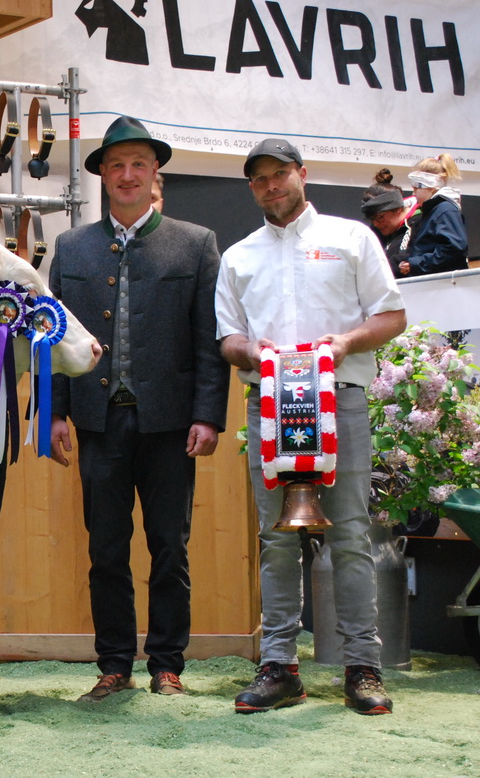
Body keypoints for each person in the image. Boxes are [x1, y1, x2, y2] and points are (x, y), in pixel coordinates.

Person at [216, 138, 406, 715]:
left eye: (280, 174)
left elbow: (392, 315)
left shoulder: (352, 238)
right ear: (251, 188)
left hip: (339, 400)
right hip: (267, 404)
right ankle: (280, 666)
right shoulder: (238, 256)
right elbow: (227, 340)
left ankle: (363, 667)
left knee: (349, 533)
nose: (271, 186)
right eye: (259, 180)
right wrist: (251, 348)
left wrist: (346, 341)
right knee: (274, 537)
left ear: (303, 174)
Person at [49, 115, 229, 700]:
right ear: (102, 175)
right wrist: (54, 414)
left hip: (171, 422)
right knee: (104, 546)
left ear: (155, 174)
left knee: (169, 545)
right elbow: (54, 339)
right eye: (116, 165)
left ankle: (167, 664)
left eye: (138, 165)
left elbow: (209, 339)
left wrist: (208, 414)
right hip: (98, 420)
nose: (127, 175)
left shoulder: (196, 242)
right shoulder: (72, 245)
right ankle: (115, 663)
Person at [399, 153, 469, 276]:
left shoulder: (445, 211)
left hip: (443, 285)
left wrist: (416, 264)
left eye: (416, 189)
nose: (413, 193)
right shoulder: (432, 211)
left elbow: (453, 249)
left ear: (430, 187)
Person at [360, 169, 413, 277]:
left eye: (380, 217)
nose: (376, 224)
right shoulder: (374, 233)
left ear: (398, 209)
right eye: (371, 219)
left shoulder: (418, 226)